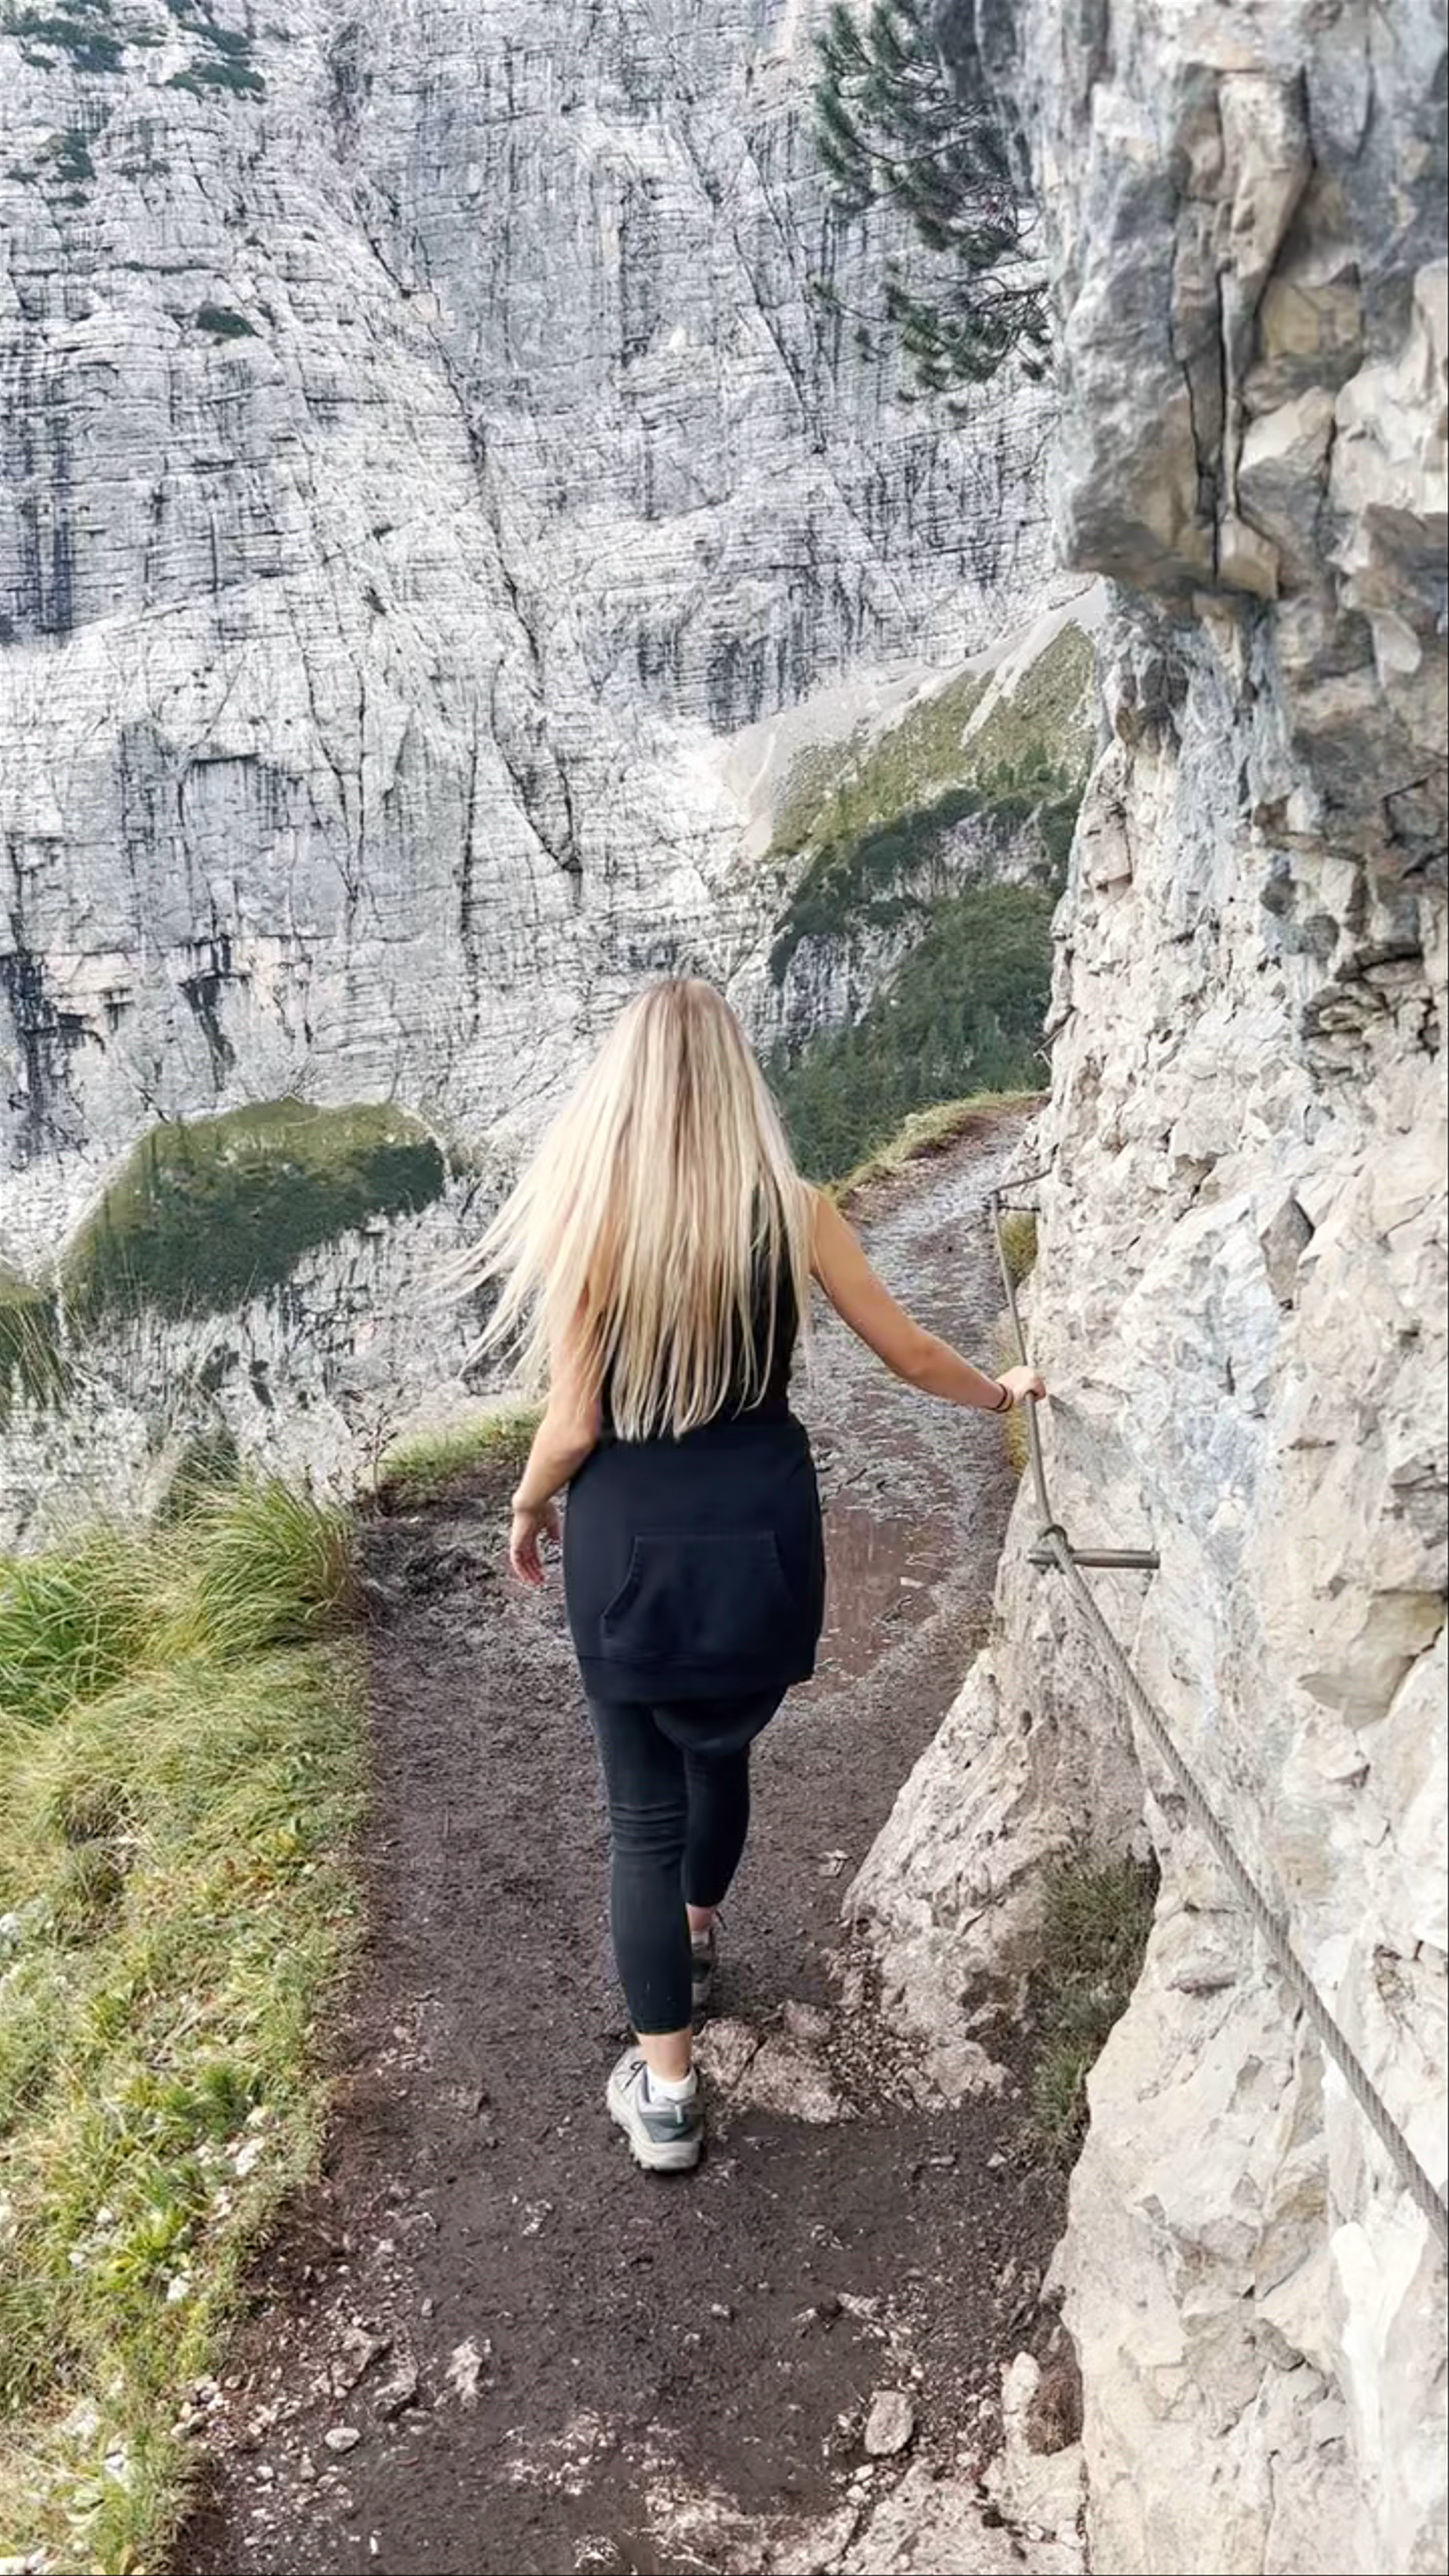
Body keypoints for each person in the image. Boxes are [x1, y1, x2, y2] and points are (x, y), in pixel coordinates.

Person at [461, 979, 1044, 2175]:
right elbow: (907, 1347)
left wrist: (526, 1510)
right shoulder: (796, 1211)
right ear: (739, 1085)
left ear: (621, 1094)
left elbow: (572, 1427)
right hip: (768, 1541)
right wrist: (1003, 1397)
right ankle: (697, 1929)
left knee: (640, 1813)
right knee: (721, 1752)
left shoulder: (595, 1227)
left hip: (629, 1547)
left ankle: (667, 2094)